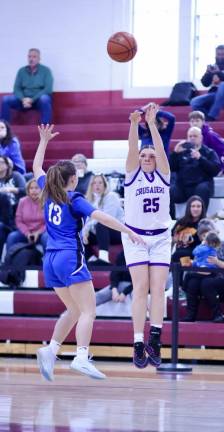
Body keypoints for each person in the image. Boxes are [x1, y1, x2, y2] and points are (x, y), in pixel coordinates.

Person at [33, 124, 143, 382]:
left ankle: (51, 350)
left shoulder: (48, 192)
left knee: (73, 310)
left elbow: (37, 168)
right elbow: (102, 216)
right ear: (73, 179)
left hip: (49, 260)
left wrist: (43, 141)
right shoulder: (74, 198)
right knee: (88, 311)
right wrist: (128, 231)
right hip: (69, 257)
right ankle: (81, 356)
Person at [122, 103, 171, 369]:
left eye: (150, 155)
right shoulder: (132, 176)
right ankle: (138, 342)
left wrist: (151, 124)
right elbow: (132, 149)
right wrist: (133, 124)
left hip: (161, 237)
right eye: (144, 156)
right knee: (141, 288)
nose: (147, 158)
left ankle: (156, 337)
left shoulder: (164, 175)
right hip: (136, 237)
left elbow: (161, 151)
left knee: (159, 289)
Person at [183, 219, 224, 322]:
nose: (206, 238)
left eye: (208, 234)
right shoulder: (201, 249)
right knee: (193, 282)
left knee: (207, 283)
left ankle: (218, 315)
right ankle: (190, 314)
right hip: (208, 278)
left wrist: (217, 262)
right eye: (203, 236)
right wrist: (192, 264)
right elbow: (199, 267)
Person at [169, 126, 221, 214]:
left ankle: (200, 220)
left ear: (201, 138)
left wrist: (200, 158)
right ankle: (171, 221)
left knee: (202, 188)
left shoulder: (209, 152)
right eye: (190, 136)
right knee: (169, 191)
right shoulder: (181, 151)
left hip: (200, 186)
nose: (192, 138)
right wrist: (175, 153)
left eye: (195, 136)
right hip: (183, 188)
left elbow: (215, 170)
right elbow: (170, 168)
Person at [1, 49, 53, 124]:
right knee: (6, 99)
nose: (31, 59)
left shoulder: (46, 71)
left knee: (44, 99)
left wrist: (32, 99)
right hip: (23, 101)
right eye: (29, 56)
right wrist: (23, 99)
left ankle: (45, 128)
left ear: (39, 59)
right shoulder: (21, 71)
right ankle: (4, 128)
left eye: (34, 57)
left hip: (38, 101)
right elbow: (16, 89)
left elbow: (48, 89)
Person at [190, 45, 224, 121]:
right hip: (216, 95)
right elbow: (205, 83)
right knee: (194, 102)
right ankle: (206, 118)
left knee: (223, 85)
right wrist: (208, 73)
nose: (220, 56)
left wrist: (219, 73)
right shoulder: (214, 66)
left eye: (222, 54)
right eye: (218, 54)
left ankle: (212, 116)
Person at [83, 174, 124, 263]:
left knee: (101, 225)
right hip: (100, 232)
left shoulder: (111, 196)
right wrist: (84, 231)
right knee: (77, 232)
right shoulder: (90, 201)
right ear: (91, 186)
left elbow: (108, 219)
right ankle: (91, 259)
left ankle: (104, 259)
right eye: (94, 183)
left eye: (100, 183)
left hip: (118, 231)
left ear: (105, 185)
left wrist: (87, 228)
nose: (97, 185)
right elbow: (87, 221)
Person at [5, 178, 47, 253]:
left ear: (42, 189)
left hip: (42, 232)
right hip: (26, 232)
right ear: (28, 190)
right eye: (31, 188)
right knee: (12, 237)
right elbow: (18, 220)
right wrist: (27, 233)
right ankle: (9, 262)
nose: (34, 190)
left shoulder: (47, 202)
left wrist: (38, 232)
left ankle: (49, 263)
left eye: (36, 188)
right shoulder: (22, 201)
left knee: (46, 238)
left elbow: (49, 222)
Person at [188, 110, 224, 175]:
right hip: (197, 168)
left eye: (197, 121)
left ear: (203, 122)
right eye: (192, 121)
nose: (194, 123)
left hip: (212, 167)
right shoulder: (191, 135)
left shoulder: (211, 135)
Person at [0, 156, 26, 259]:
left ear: (7, 165)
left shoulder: (15, 176)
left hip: (15, 210)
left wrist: (11, 190)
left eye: (1, 162)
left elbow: (27, 190)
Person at [171, 195, 206, 263]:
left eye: (198, 206)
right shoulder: (181, 222)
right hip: (178, 256)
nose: (195, 209)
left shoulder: (205, 223)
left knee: (177, 256)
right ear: (189, 208)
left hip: (196, 256)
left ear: (202, 208)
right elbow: (171, 240)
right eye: (193, 206)